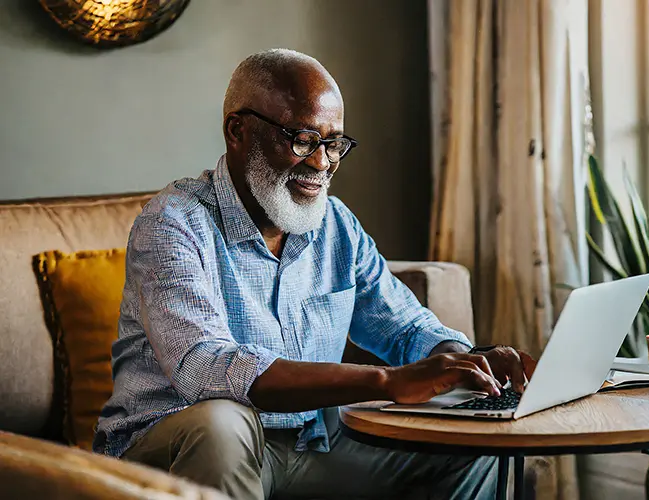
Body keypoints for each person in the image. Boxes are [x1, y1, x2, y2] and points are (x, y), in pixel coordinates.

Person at [93, 48, 536, 500]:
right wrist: (385, 381)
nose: (321, 163)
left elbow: (405, 326)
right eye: (302, 139)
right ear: (238, 131)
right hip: (180, 447)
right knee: (222, 422)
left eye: (333, 144)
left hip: (313, 444)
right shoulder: (173, 222)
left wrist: (466, 363)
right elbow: (204, 366)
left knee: (480, 445)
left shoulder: (336, 224)